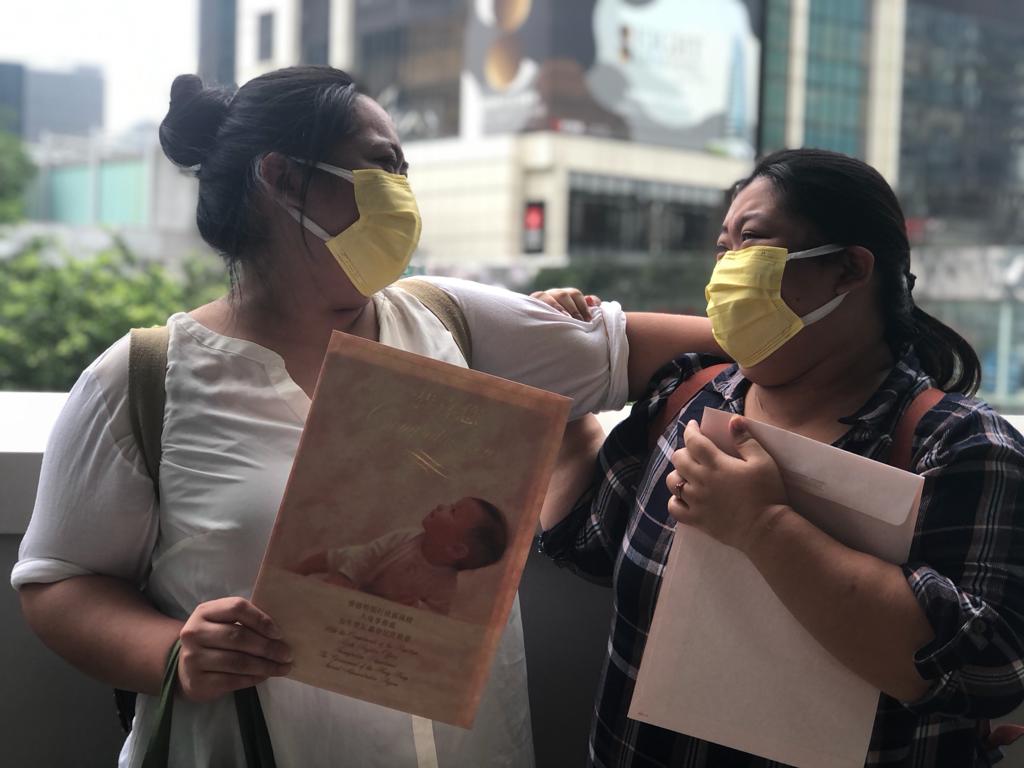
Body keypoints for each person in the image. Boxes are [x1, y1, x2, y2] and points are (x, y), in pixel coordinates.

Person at [11, 66, 719, 768]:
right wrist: (171, 652)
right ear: (283, 177)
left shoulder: (451, 320)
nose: (404, 193)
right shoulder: (142, 381)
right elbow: (59, 583)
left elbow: (667, 349)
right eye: (383, 164)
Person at [539, 148, 1024, 767]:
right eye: (723, 248)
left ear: (849, 269)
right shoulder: (688, 396)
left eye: (752, 241)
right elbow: (590, 541)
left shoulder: (959, 448)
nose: (726, 269)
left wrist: (763, 526)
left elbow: (989, 671)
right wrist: (557, 381)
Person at [291, 496, 508, 617]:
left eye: (452, 511)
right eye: (451, 505)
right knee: (336, 557)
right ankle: (300, 569)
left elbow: (436, 615)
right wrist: (345, 579)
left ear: (456, 550)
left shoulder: (445, 584)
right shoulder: (405, 538)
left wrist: (417, 609)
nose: (442, 505)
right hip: (367, 566)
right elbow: (368, 555)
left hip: (382, 600)